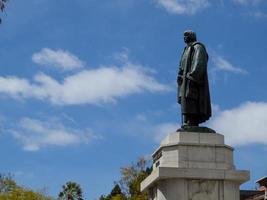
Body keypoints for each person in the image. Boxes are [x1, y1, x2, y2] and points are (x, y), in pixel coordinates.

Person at [177, 30, 211, 127]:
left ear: (192, 36)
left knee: (191, 98)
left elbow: (199, 62)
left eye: (186, 35)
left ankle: (192, 121)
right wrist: (180, 75)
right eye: (183, 36)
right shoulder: (185, 49)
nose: (184, 37)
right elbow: (181, 66)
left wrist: (193, 76)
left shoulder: (198, 47)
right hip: (184, 80)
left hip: (193, 79)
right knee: (185, 99)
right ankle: (187, 120)